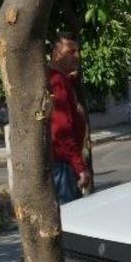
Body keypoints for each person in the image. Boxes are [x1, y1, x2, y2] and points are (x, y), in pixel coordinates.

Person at [47, 33, 89, 204]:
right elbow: (61, 129)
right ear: (57, 54)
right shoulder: (57, 81)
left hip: (62, 161)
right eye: (71, 52)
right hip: (63, 163)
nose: (77, 56)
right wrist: (80, 167)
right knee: (70, 212)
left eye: (77, 51)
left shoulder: (60, 79)